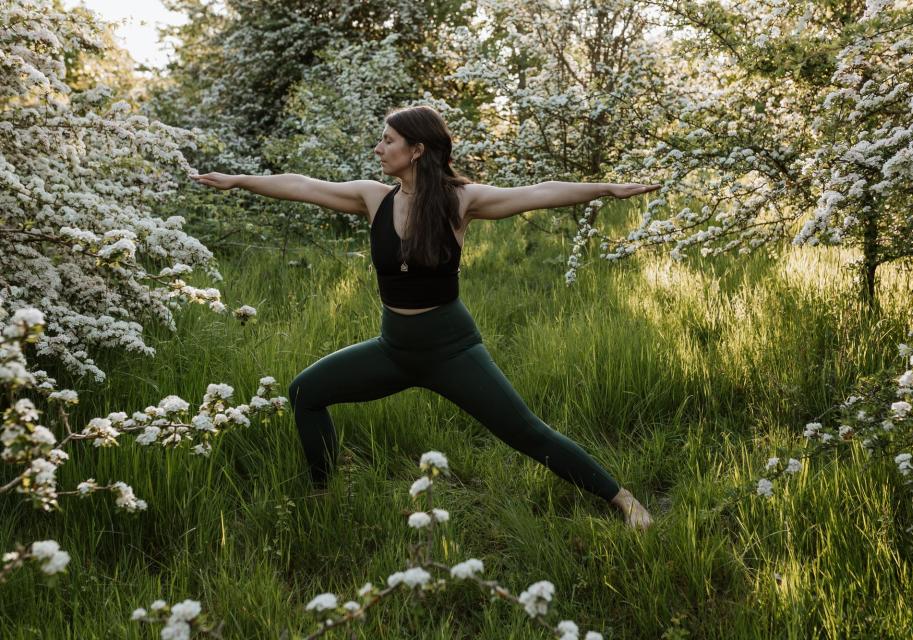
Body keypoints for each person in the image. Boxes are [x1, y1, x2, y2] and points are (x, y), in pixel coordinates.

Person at [189, 104, 660, 529]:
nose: (379, 148)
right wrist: (237, 180)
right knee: (305, 392)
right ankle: (323, 492)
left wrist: (605, 188)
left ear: (416, 149)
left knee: (525, 431)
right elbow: (303, 185)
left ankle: (622, 499)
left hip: (450, 350)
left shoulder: (461, 200)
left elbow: (538, 191)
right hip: (394, 348)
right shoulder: (374, 198)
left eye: (388, 140)